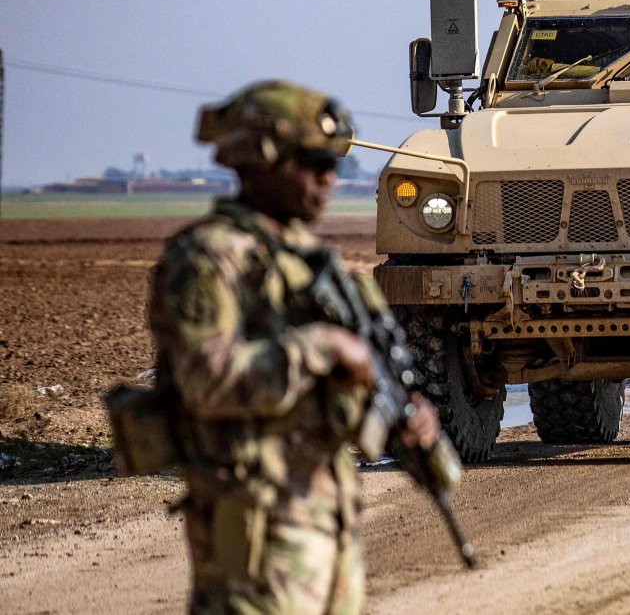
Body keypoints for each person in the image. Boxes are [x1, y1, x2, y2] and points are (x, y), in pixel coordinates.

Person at [147, 81, 441, 613]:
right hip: (252, 540)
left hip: (328, 531)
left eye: (335, 164)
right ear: (261, 159)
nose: (329, 178)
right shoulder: (208, 260)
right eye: (312, 162)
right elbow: (205, 382)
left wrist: (408, 416)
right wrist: (321, 348)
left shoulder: (312, 261)